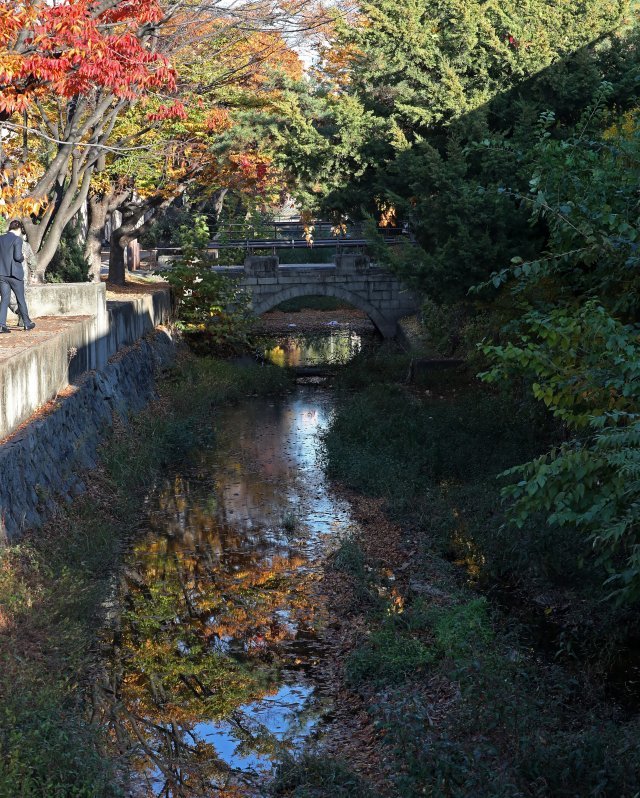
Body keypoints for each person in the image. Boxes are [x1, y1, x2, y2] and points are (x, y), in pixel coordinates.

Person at [0, 220, 35, 334]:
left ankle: (1, 325)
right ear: (19, 229)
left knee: (4, 300)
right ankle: (27, 323)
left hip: (2, 274)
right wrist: (23, 257)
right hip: (15, 275)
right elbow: (17, 257)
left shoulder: (0, 238)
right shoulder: (17, 239)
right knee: (21, 299)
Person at [8, 221, 40, 326]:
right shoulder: (24, 244)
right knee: (18, 298)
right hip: (19, 275)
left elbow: (31, 260)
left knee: (10, 297)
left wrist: (33, 273)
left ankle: (22, 317)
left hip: (15, 275)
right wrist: (33, 272)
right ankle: (22, 315)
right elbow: (32, 261)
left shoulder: (24, 245)